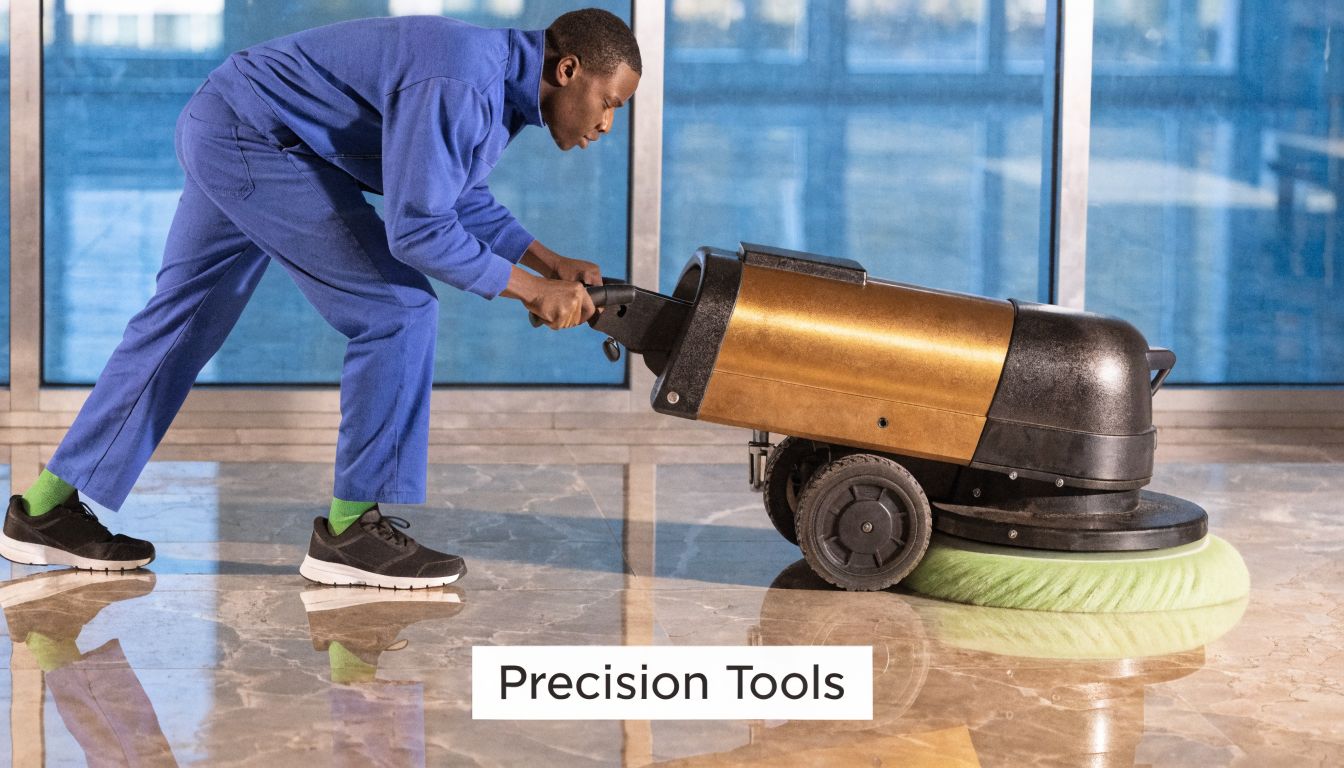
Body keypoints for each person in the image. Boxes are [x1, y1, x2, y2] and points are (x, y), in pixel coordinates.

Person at [0, 9, 642, 589]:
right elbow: (418, 229)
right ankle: (350, 532)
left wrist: (546, 260)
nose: (606, 124)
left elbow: (451, 192)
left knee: (181, 324)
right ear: (568, 69)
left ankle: (45, 509)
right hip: (254, 139)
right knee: (398, 313)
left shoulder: (490, 84)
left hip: (228, 120)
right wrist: (530, 290)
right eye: (608, 103)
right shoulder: (462, 83)